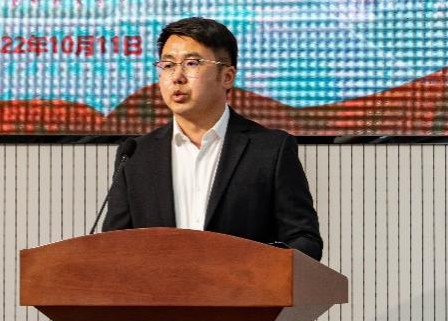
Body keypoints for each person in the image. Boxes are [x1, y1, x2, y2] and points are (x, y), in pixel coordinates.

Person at [102, 17, 323, 260]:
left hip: (243, 284)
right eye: (168, 65)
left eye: (192, 63)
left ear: (227, 76)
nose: (177, 77)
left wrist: (254, 268)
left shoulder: (270, 150)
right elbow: (112, 246)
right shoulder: (136, 154)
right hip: (158, 285)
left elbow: (304, 239)